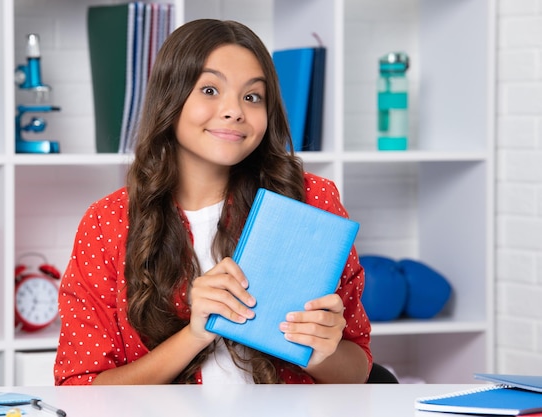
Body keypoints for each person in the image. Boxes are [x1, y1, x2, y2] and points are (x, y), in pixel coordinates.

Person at [54, 18, 371, 385]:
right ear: (170, 98)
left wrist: (320, 351)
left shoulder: (312, 200)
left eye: (252, 96)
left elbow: (359, 368)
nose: (234, 110)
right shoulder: (107, 222)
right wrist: (194, 335)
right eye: (209, 90)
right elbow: (81, 390)